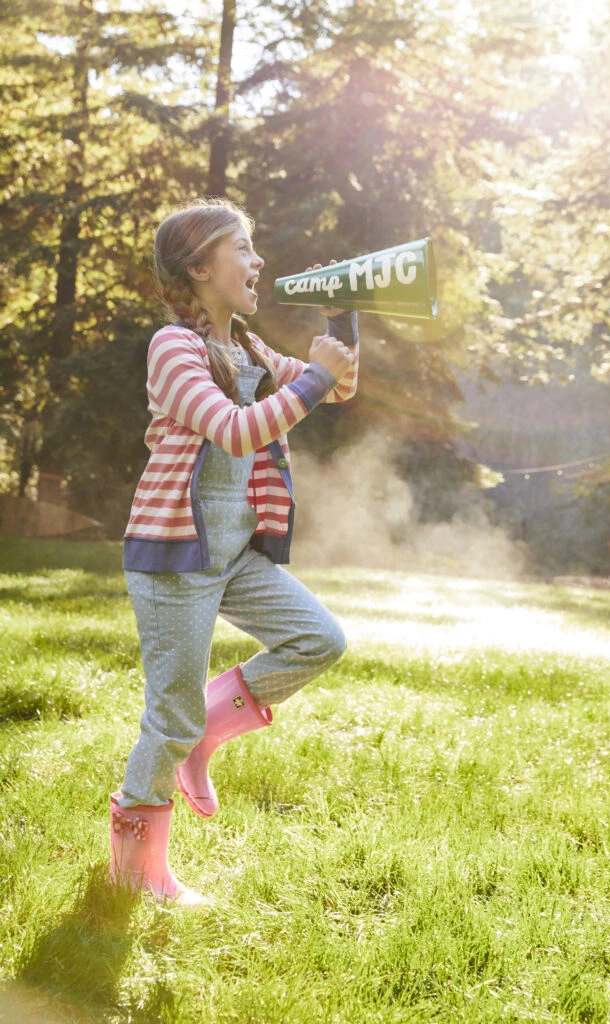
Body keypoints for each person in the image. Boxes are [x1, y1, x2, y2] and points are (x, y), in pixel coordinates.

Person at [109, 198, 359, 905]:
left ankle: (205, 735)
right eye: (242, 248)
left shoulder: (249, 349)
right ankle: (134, 871)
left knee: (318, 638)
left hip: (234, 553)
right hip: (175, 557)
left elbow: (338, 387)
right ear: (198, 267)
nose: (257, 263)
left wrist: (343, 320)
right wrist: (310, 377)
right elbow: (233, 430)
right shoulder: (174, 347)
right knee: (170, 714)